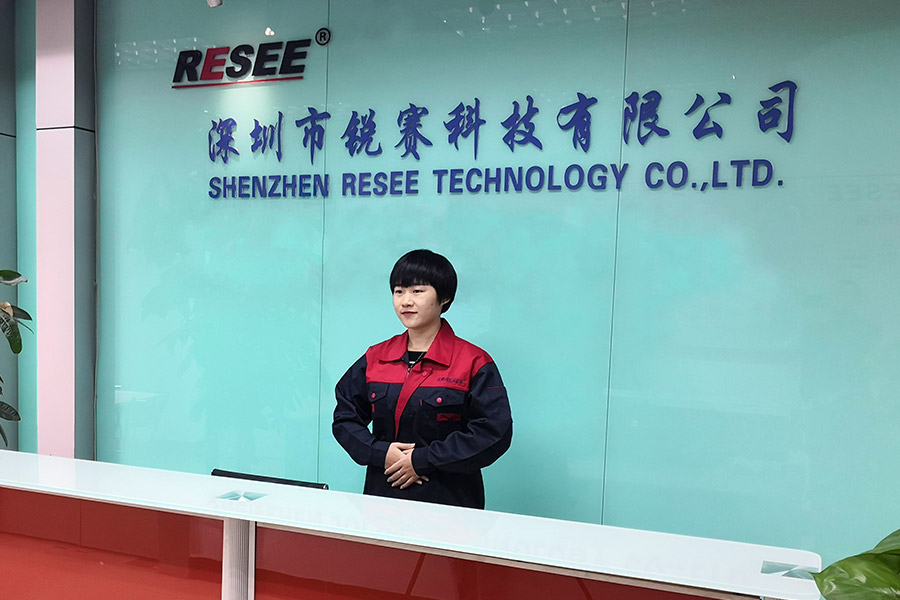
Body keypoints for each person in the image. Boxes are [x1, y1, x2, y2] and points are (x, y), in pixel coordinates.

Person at [332, 249, 513, 509]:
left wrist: (422, 460)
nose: (406, 301)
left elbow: (494, 431)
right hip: (382, 499)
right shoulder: (376, 357)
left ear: (444, 297)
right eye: (399, 291)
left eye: (418, 291)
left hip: (450, 504)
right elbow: (344, 417)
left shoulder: (473, 361)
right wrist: (380, 452)